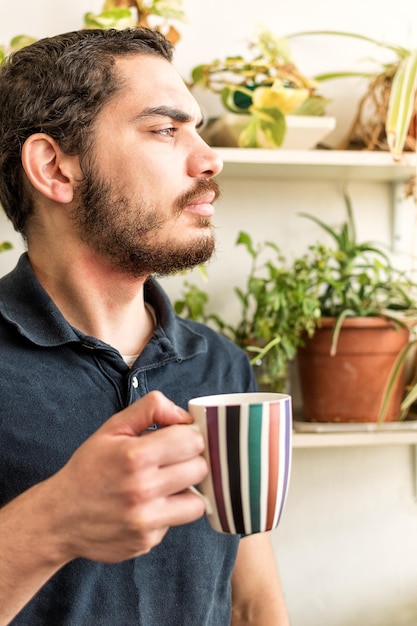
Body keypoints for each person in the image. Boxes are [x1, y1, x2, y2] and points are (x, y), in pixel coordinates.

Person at [0, 28, 290, 625]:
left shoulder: (223, 366)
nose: (210, 158)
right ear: (55, 167)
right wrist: (54, 520)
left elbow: (252, 600)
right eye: (165, 129)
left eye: (199, 128)